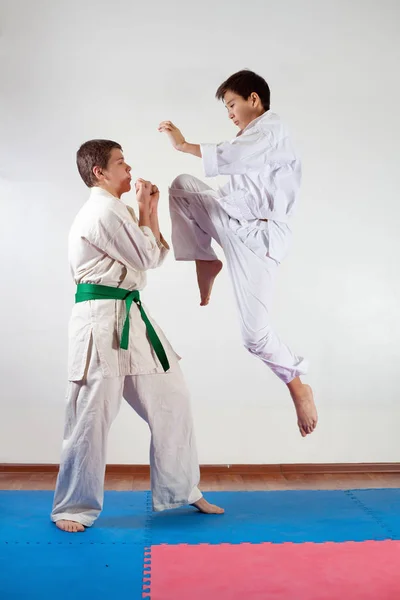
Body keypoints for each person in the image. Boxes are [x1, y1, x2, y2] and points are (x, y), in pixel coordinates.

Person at [51, 139, 224, 533]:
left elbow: (153, 255)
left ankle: (182, 488)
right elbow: (148, 257)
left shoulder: (119, 210)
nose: (129, 170)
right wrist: (147, 211)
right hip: (99, 321)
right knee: (91, 415)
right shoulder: (102, 210)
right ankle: (73, 506)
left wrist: (148, 210)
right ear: (100, 173)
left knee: (173, 398)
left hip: (129, 315)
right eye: (121, 164)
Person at [159, 69, 317, 438]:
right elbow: (232, 161)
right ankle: (206, 259)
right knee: (182, 187)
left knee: (254, 337)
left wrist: (183, 146)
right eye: (226, 107)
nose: (229, 112)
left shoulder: (271, 128)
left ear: (254, 100)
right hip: (231, 220)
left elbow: (234, 157)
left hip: (259, 238)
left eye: (232, 104)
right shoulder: (247, 137)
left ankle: (297, 385)